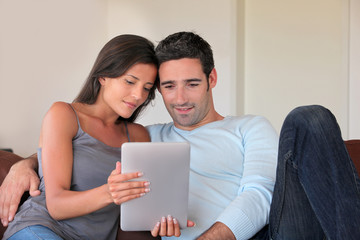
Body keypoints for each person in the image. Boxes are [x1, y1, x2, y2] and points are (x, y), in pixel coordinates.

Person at [2, 31, 360, 239]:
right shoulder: (145, 138)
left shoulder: (249, 127)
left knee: (308, 118)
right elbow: (90, 146)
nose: (180, 98)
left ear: (212, 79)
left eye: (191, 84)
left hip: (270, 232)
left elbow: (261, 192)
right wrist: (26, 163)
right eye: (167, 86)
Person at [1, 34, 161, 239]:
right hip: (42, 228)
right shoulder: (64, 115)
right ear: (103, 76)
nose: (139, 95)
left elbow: (141, 204)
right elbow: (57, 206)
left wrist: (164, 220)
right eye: (130, 82)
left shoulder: (138, 135)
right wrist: (109, 192)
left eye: (146, 88)